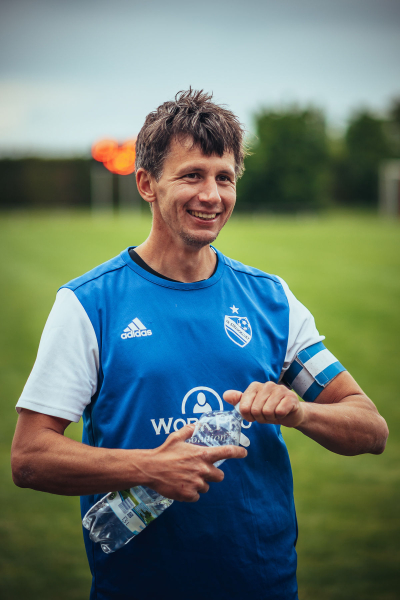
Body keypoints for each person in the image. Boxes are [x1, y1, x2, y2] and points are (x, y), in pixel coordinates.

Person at [11, 89, 388, 600]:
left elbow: (370, 427)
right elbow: (30, 457)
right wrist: (150, 466)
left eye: (224, 178)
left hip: (265, 584)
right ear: (147, 183)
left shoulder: (271, 300)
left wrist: (301, 412)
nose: (211, 195)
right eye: (192, 175)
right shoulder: (88, 304)